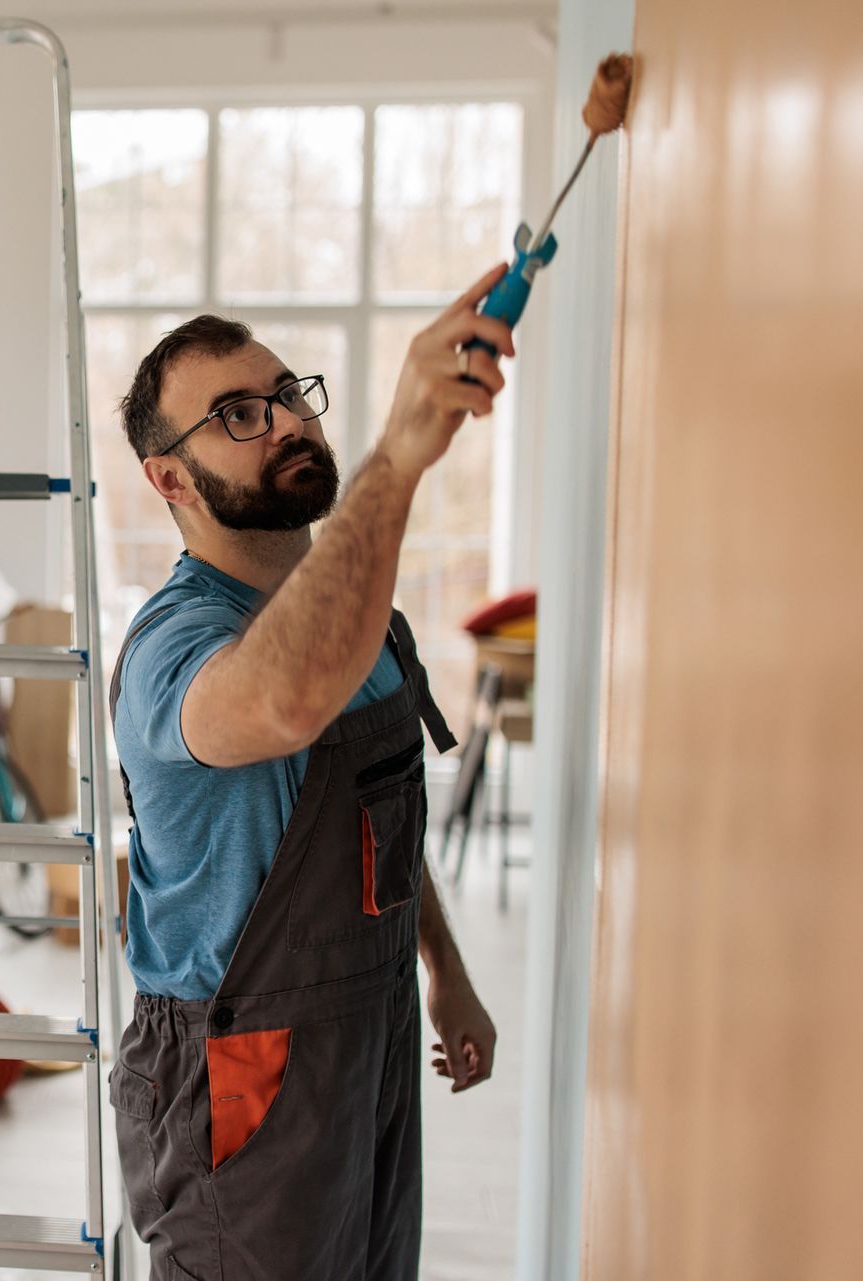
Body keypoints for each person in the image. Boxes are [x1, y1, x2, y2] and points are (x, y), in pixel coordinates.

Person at [107, 263, 510, 1280]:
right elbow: (283, 699)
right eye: (238, 414)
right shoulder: (174, 647)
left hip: (369, 1037)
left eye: (289, 395)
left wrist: (446, 974)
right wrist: (401, 460)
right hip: (242, 1065)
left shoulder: (369, 631)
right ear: (169, 478)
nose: (285, 421)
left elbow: (387, 832)